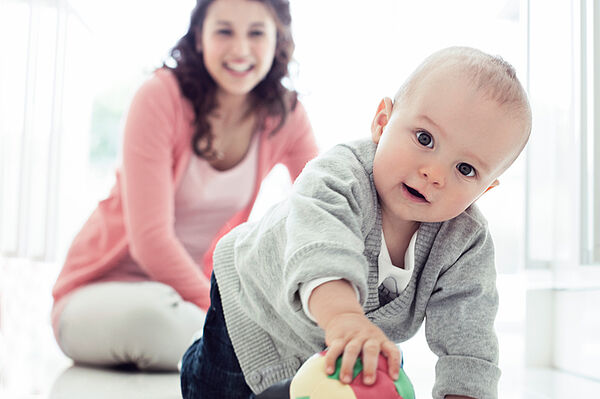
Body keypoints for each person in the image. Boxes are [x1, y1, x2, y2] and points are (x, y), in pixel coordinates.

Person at [180, 46, 532, 399]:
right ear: (382, 122)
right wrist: (345, 318)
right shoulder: (337, 177)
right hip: (252, 310)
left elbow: (469, 333)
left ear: (484, 190)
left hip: (331, 337)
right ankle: (194, 356)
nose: (434, 173)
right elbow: (321, 254)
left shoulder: (465, 240)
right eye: (425, 139)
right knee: (214, 389)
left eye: (465, 169)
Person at [51, 0, 318, 371]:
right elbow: (151, 241)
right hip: (99, 293)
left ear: (278, 39)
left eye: (256, 33)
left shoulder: (285, 114)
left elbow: (318, 208)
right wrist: (227, 316)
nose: (240, 49)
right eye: (224, 30)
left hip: (187, 298)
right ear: (199, 37)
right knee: (157, 319)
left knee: (280, 327)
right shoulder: (161, 96)